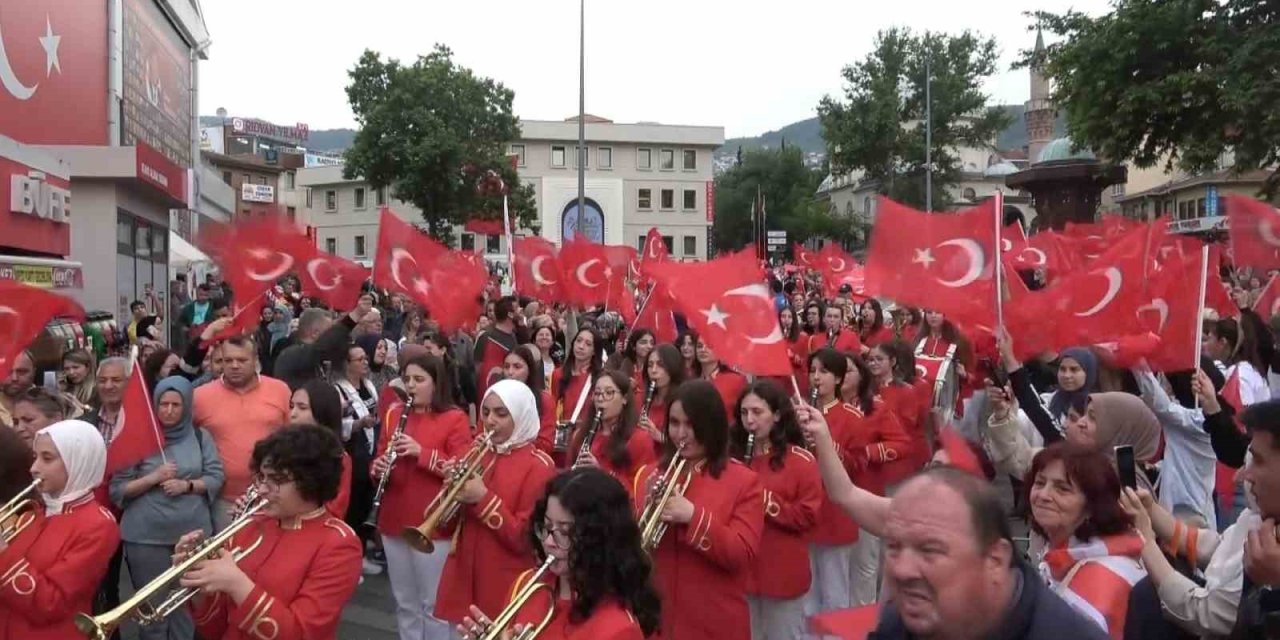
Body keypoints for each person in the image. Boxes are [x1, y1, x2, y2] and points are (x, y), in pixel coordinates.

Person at [862, 464, 1110, 640]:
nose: (902, 570)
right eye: (893, 546)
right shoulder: (900, 622)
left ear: (995, 560)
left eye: (930, 550)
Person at [175, 424, 363, 640]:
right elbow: (216, 629)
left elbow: (301, 634)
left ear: (310, 481)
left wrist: (237, 583)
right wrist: (198, 584)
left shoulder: (339, 544)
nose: (262, 489)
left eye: (276, 480)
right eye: (262, 477)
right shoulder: (250, 525)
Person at [456, 467, 660, 639]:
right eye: (546, 527)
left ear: (599, 538)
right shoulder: (526, 585)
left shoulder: (618, 628)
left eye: (565, 532)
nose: (548, 541)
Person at [633, 379, 764, 640]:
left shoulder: (744, 481)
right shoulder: (650, 474)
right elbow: (635, 552)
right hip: (660, 619)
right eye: (674, 423)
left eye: (691, 425)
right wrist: (644, 514)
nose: (681, 434)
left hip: (714, 621)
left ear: (712, 426)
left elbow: (740, 554)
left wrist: (693, 516)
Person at [434, 380, 558, 628]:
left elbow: (523, 539)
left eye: (502, 414)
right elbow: (443, 528)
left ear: (521, 415)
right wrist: (450, 493)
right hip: (462, 580)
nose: (490, 420)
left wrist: (482, 499)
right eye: (486, 412)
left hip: (503, 584)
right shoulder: (474, 452)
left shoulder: (539, 466)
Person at [110, 377, 225, 640]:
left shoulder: (199, 436)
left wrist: (187, 485)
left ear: (187, 406)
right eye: (163, 404)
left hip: (191, 534)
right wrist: (153, 478)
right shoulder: (138, 438)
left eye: (176, 405)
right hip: (146, 537)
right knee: (152, 607)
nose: (169, 411)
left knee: (184, 604)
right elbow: (118, 489)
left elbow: (215, 476)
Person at [371, 354, 472, 640]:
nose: (411, 385)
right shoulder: (393, 413)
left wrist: (422, 453)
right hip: (394, 518)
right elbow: (380, 454)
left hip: (432, 523)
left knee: (433, 604)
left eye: (419, 379)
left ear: (436, 383)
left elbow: (462, 471)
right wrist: (378, 467)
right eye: (407, 379)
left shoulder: (454, 418)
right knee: (405, 602)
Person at [0, 420, 120, 640]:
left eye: (47, 458)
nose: (34, 468)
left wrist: (3, 552)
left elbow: (50, 603)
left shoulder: (98, 526)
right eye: (35, 457)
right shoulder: (34, 511)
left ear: (78, 461)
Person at [1021, 443, 1146, 638]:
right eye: (1039, 483)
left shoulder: (1098, 580)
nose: (1043, 495)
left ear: (1091, 505)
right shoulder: (1070, 553)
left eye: (1062, 489)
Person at [733, 380, 822, 640]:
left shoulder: (801, 461)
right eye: (744, 413)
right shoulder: (732, 459)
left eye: (757, 412)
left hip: (781, 574)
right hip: (742, 572)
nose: (749, 420)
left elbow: (808, 516)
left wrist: (766, 502)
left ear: (777, 415)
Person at [192, 336, 291, 530]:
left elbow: (294, 437)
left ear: (255, 360)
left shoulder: (280, 390)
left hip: (273, 498)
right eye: (228, 360)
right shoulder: (200, 396)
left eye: (242, 360)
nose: (234, 366)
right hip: (223, 501)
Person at [570, 371, 656, 494]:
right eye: (597, 393)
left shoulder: (639, 439)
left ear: (624, 399)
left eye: (609, 393)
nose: (601, 399)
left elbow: (640, 491)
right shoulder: (581, 435)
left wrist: (602, 474)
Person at [289, 380, 353, 521]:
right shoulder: (280, 449)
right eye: (291, 406)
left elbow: (336, 509)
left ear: (322, 412)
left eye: (302, 408)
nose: (292, 414)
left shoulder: (338, 458)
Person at [502, 344, 557, 456]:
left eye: (517, 367)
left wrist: (511, 444)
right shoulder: (494, 398)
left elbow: (546, 444)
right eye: (506, 367)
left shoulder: (544, 400)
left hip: (529, 460)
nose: (510, 372)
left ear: (529, 371)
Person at [553, 328, 603, 432]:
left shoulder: (600, 377)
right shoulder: (558, 374)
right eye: (579, 341)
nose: (581, 346)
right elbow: (552, 405)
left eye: (588, 344)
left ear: (594, 351)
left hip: (586, 433)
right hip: (561, 433)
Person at [638, 344, 685, 449]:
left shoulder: (683, 401)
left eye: (660, 365)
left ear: (673, 367)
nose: (654, 370)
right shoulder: (642, 399)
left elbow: (688, 444)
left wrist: (659, 435)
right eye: (650, 365)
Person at [475, 296, 521, 400]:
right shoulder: (486, 337)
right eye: (517, 308)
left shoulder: (513, 337)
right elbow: (477, 370)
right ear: (510, 314)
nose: (520, 310)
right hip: (488, 396)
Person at [695, 335, 747, 422]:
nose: (703, 350)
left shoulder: (736, 380)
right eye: (699, 346)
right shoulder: (691, 380)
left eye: (709, 346)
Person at [0, 350, 36, 429]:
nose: (14, 378)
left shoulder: (51, 404)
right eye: (7, 372)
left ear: (34, 372)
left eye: (21, 372)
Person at [60, 348, 97, 413]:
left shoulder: (97, 390)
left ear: (87, 367)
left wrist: (81, 406)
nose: (71, 372)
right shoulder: (67, 388)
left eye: (75, 367)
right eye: (67, 369)